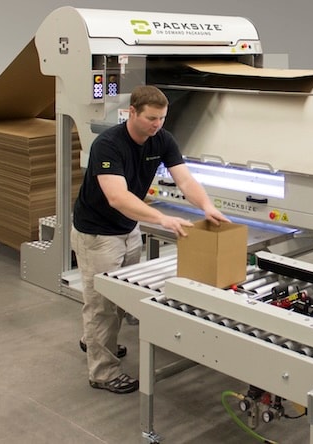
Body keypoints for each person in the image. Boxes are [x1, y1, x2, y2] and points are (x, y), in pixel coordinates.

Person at [71, 85, 230, 394]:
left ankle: (96, 340)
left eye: (162, 118)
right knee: (101, 304)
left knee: (119, 295)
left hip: (129, 228)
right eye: (151, 118)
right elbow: (116, 197)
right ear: (132, 112)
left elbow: (184, 179)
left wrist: (208, 206)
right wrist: (162, 219)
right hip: (98, 232)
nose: (157, 125)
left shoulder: (162, 140)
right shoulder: (108, 145)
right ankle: (102, 373)